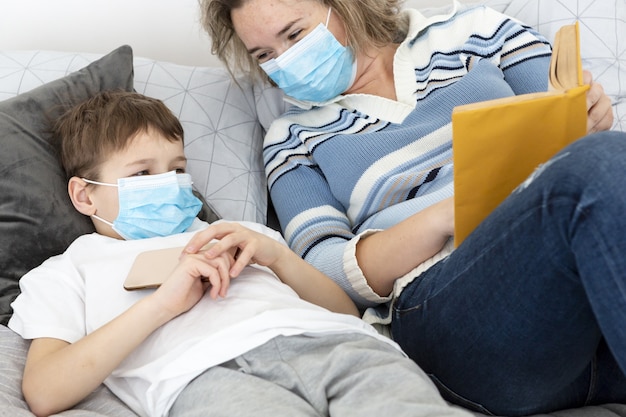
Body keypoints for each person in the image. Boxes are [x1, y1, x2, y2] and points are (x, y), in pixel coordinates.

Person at [190, 0, 626, 415]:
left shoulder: (476, 31)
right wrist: (444, 216)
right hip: (448, 311)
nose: (285, 61)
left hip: (576, 294)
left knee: (604, 157)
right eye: (265, 53)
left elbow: (569, 131)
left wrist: (591, 117)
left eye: (294, 33)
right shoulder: (293, 138)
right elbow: (322, 272)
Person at [7, 90, 473, 417]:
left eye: (178, 169)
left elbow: (346, 311)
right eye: (143, 173)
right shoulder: (70, 270)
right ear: (85, 196)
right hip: (209, 378)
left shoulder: (239, 232)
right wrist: (163, 304)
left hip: (333, 345)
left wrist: (278, 257)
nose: (168, 183)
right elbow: (45, 393)